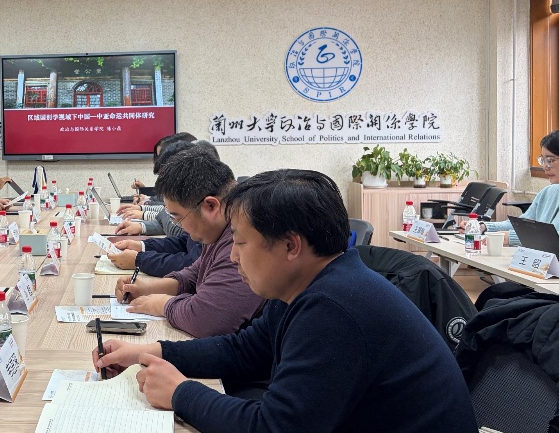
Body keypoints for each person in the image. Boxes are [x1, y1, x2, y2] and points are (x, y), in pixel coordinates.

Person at [95, 169, 478, 433]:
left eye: (240, 242)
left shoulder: (334, 308)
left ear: (291, 246)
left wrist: (181, 393)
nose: (233, 256)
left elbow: (275, 427)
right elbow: (244, 351)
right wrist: (150, 352)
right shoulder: (308, 284)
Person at [115, 145, 263, 338]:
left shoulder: (244, 235)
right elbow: (197, 272)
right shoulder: (221, 225)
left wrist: (163, 305)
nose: (180, 227)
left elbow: (207, 320)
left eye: (178, 218)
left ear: (210, 206)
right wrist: (148, 288)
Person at [462, 129, 559, 247]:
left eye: (550, 160)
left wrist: (510, 237)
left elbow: (553, 239)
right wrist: (483, 227)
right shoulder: (548, 192)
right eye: (543, 160)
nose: (545, 167)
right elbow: (521, 225)